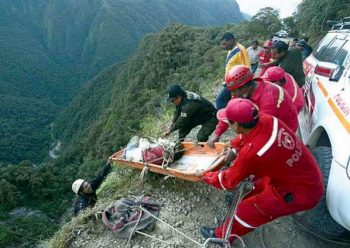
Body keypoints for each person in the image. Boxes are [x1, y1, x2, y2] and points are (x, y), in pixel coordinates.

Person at [199, 98, 323, 244]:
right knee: (256, 186)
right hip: (305, 173)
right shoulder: (268, 119)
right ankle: (244, 198)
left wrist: (204, 175)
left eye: (229, 122)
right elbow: (247, 136)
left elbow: (228, 181)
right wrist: (233, 146)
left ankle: (221, 236)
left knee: (245, 211)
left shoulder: (251, 153)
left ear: (237, 125)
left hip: (299, 192)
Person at [208, 65, 298, 147]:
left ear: (244, 88)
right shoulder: (242, 92)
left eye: (234, 91)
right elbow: (230, 111)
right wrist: (217, 134)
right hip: (266, 121)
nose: (233, 95)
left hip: (283, 128)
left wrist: (234, 146)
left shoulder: (269, 98)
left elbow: (258, 128)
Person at [215, 32, 250, 110]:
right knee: (229, 101)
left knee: (220, 100)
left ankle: (224, 118)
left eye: (225, 43)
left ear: (231, 40)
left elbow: (246, 67)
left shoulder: (240, 50)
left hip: (236, 82)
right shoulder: (231, 50)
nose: (223, 46)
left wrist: (241, 85)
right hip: (230, 81)